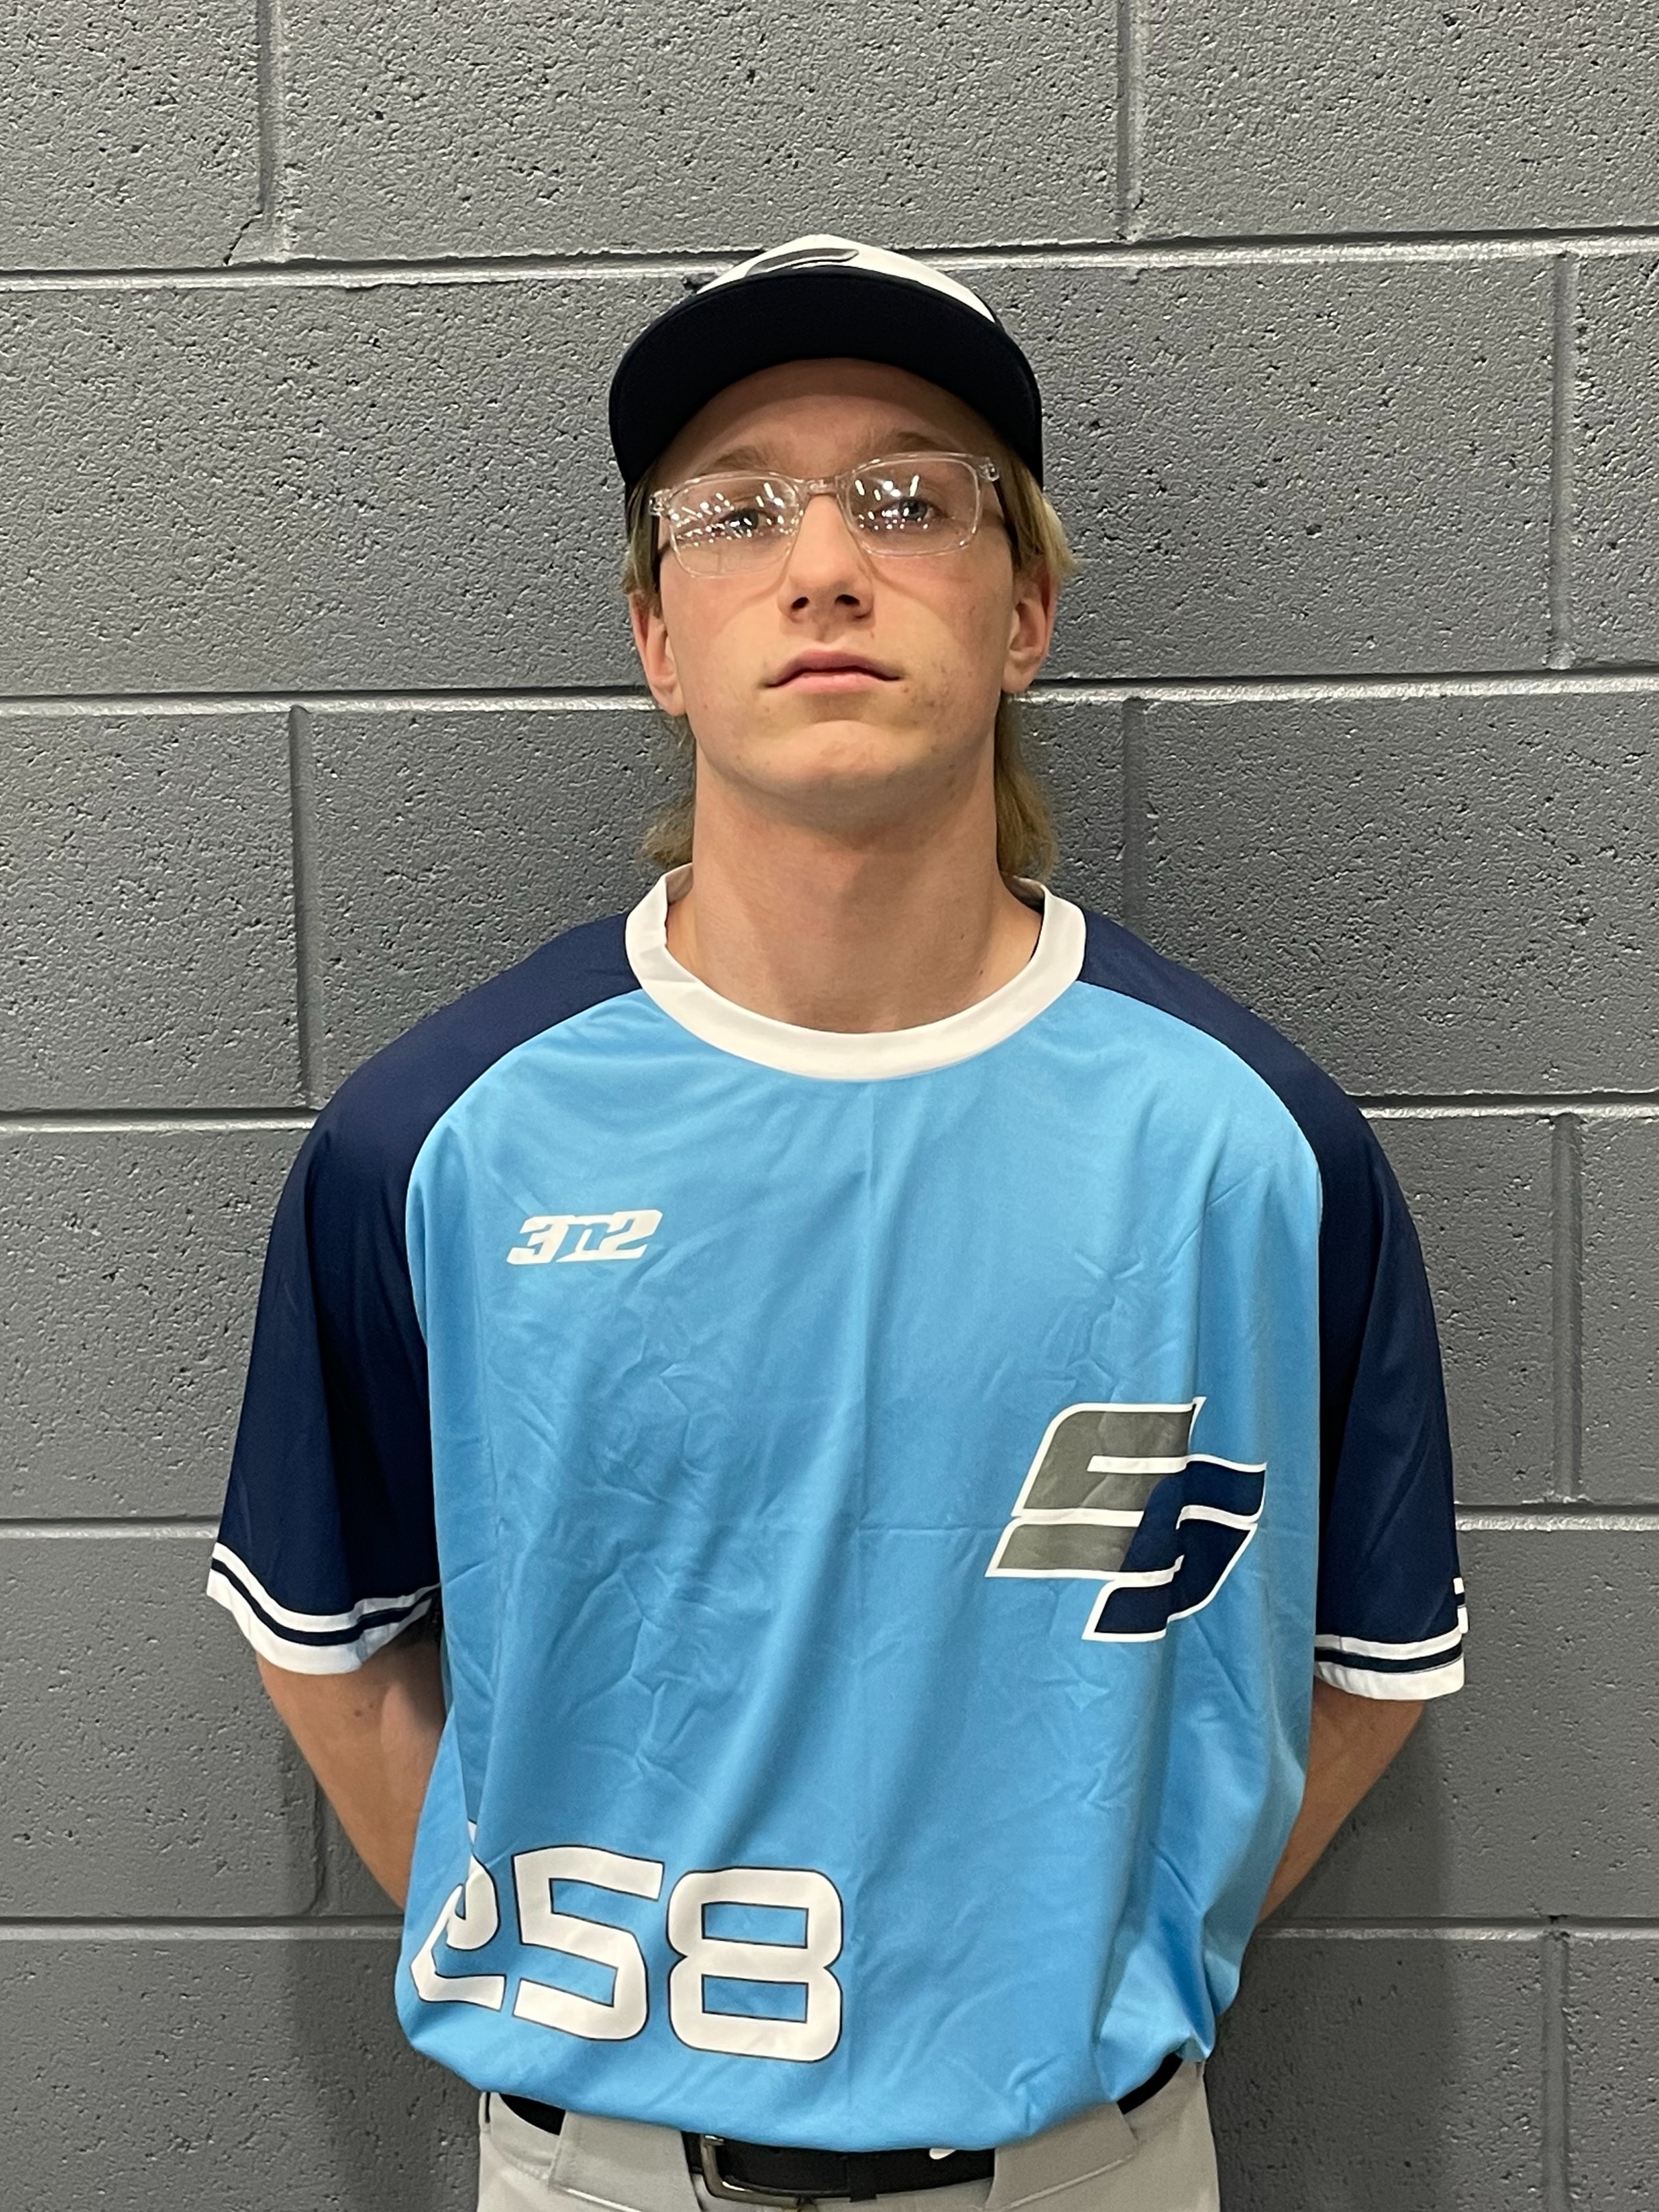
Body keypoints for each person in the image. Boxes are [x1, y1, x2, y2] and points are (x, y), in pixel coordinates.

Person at [208, 237, 1467, 2212]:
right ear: (656, 636)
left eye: (908, 499)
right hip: (599, 2173)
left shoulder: (1247, 1146)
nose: (821, 566)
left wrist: (1081, 1967)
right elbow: (330, 1646)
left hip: (1087, 2170)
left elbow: (1365, 1664)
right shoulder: (436, 1136)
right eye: (734, 513)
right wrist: (612, 2017)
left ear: (1025, 611)